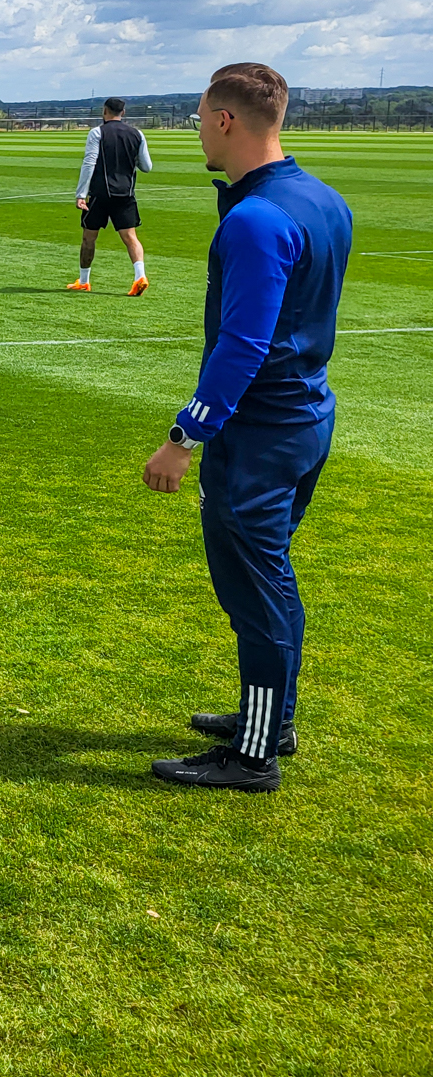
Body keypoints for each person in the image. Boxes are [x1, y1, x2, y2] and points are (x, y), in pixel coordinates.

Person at [142, 63, 350, 793]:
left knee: (255, 591)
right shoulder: (319, 198)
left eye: (199, 116)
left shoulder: (257, 219)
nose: (196, 127)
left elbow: (243, 345)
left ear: (226, 120)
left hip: (260, 437)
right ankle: (272, 717)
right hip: (304, 422)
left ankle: (254, 754)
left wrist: (183, 437)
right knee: (272, 578)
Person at [69, 97, 152, 294]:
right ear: (123, 113)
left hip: (100, 194)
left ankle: (84, 281)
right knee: (131, 237)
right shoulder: (137, 134)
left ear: (104, 111)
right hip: (125, 193)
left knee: (89, 237)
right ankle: (140, 275)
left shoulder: (97, 132)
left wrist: (81, 193)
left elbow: (89, 162)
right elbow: (147, 166)